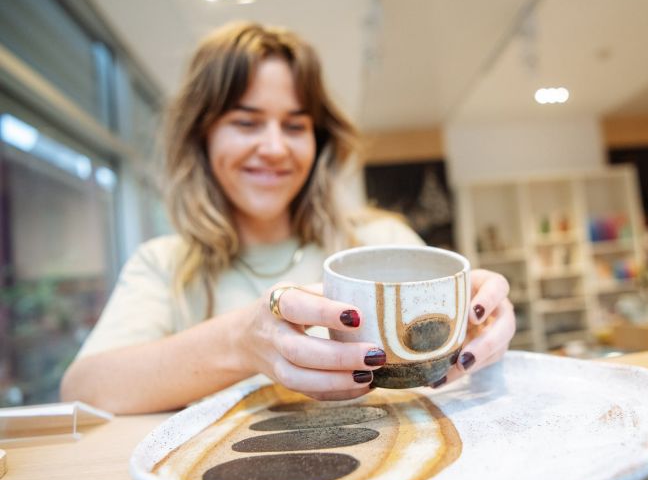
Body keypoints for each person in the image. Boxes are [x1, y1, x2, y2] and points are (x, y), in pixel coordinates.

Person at [61, 22, 515, 414]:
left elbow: (452, 362)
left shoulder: (381, 238)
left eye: (296, 126)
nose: (275, 148)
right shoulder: (164, 265)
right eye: (246, 122)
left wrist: (481, 324)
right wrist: (241, 342)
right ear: (203, 136)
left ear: (318, 142)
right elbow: (83, 391)